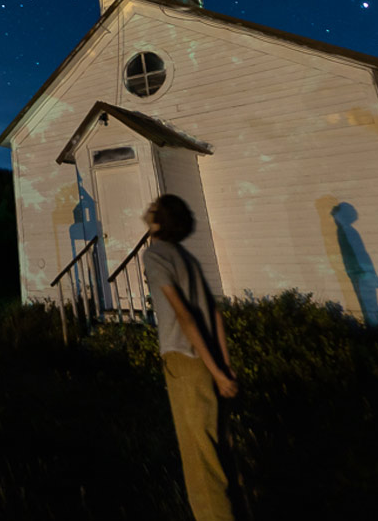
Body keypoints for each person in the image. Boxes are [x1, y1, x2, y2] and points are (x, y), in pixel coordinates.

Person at [143, 194, 236, 521]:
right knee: (217, 452)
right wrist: (223, 368)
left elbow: (184, 315)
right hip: (209, 361)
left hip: (185, 362)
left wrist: (218, 372)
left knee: (199, 461)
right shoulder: (186, 258)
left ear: (159, 220)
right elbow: (215, 314)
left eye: (153, 209)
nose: (146, 211)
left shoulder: (155, 255)